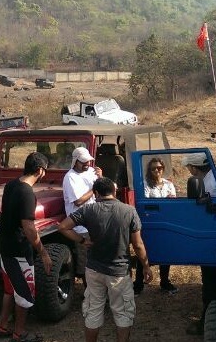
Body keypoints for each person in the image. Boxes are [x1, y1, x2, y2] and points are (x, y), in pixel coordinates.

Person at [58, 177, 154, 342]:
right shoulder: (129, 211)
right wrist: (146, 266)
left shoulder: (88, 210)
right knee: (123, 313)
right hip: (119, 272)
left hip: (94, 270)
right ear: (114, 191)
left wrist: (82, 240)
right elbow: (138, 245)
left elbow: (62, 226)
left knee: (93, 311)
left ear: (95, 193)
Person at [0, 152, 52, 342]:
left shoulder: (11, 185)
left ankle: (2, 326)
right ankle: (19, 333)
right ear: (40, 170)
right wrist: (43, 253)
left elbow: (5, 214)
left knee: (9, 289)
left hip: (5, 246)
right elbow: (28, 227)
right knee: (25, 293)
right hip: (19, 250)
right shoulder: (27, 192)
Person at [181, 152, 216, 336]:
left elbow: (212, 204)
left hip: (213, 237)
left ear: (194, 167)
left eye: (189, 167)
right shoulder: (214, 176)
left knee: (211, 283)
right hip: (215, 234)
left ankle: (210, 322)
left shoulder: (212, 182)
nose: (189, 171)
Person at [134, 158, 178, 295]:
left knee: (165, 251)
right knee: (144, 250)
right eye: (154, 168)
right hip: (150, 221)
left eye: (159, 168)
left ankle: (164, 281)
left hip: (166, 221)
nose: (157, 170)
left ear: (163, 169)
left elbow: (174, 201)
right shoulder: (146, 185)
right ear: (150, 170)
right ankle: (138, 283)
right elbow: (146, 203)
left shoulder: (168, 184)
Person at [63, 146, 103, 280]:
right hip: (81, 226)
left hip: (94, 221)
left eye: (88, 161)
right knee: (86, 264)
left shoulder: (92, 171)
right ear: (75, 162)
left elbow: (104, 190)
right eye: (84, 162)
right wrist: (95, 187)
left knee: (97, 260)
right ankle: (88, 293)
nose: (87, 164)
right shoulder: (70, 178)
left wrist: (101, 178)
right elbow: (78, 201)